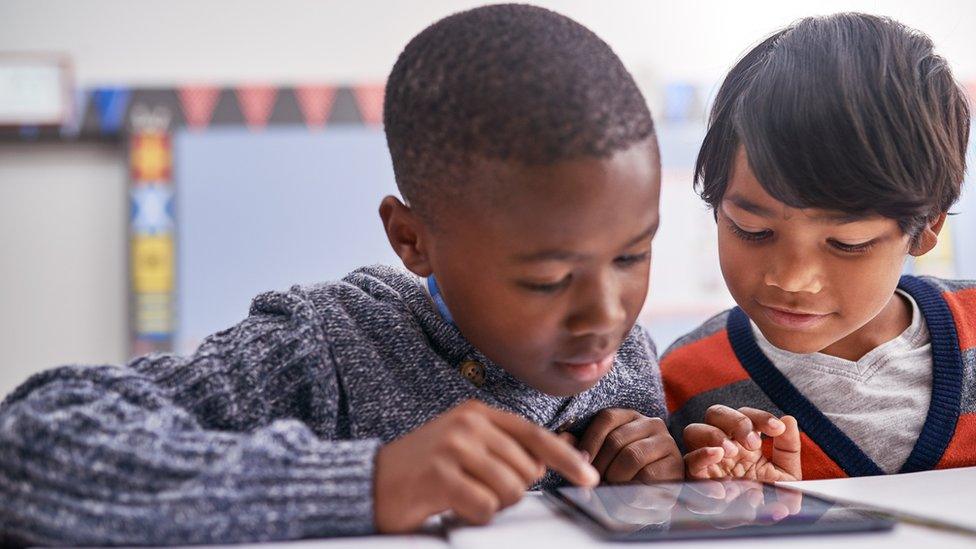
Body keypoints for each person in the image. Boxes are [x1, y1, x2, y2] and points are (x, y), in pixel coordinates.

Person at [0, 4, 681, 546]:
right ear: (411, 240)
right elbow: (27, 446)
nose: (606, 316)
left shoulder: (629, 365)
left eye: (632, 256)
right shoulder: (326, 346)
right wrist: (367, 482)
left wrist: (664, 475)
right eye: (548, 279)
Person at [663, 12, 974, 482]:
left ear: (928, 227)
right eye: (751, 229)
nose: (790, 278)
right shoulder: (683, 383)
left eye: (848, 243)